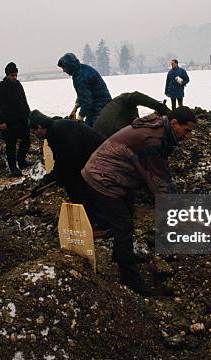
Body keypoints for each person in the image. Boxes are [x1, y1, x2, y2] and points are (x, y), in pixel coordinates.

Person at [80, 107, 197, 295]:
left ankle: (121, 255)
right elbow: (157, 180)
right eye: (187, 130)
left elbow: (160, 173)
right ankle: (130, 278)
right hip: (103, 176)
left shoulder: (161, 133)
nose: (188, 136)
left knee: (128, 218)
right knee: (123, 225)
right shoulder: (152, 139)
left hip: (118, 173)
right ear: (174, 123)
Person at [29, 110, 106, 204]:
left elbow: (70, 160)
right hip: (89, 158)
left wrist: (59, 177)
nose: (35, 136)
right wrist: (46, 181)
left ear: (39, 127)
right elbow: (61, 161)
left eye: (34, 132)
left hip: (101, 158)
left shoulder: (60, 131)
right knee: (71, 182)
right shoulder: (54, 130)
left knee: (77, 186)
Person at [0, 62, 31, 176]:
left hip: (21, 119)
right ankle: (13, 167)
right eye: (12, 75)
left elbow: (24, 102)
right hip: (8, 122)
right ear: (7, 75)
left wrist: (28, 115)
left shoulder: (18, 85)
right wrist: (1, 121)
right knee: (11, 145)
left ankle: (22, 161)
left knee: (26, 140)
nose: (14, 78)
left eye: (16, 75)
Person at [57, 52, 112, 127]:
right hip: (94, 106)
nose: (63, 71)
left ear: (69, 66)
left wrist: (79, 118)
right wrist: (75, 108)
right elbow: (82, 94)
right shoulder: (80, 70)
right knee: (88, 128)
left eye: (64, 68)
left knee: (94, 131)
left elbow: (87, 101)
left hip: (100, 106)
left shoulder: (80, 77)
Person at [93, 91, 170, 137]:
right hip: (109, 137)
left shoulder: (113, 108)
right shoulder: (124, 100)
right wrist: (159, 106)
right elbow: (136, 96)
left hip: (98, 137)